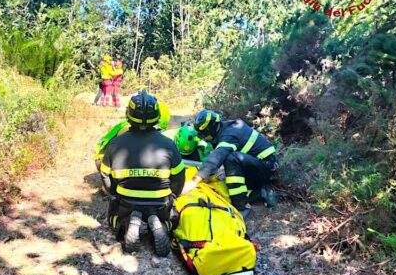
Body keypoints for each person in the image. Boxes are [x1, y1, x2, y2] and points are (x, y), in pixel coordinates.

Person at [100, 91, 185, 255]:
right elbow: (179, 179)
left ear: (129, 115)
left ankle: (125, 223)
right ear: (157, 116)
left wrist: (115, 194)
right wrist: (172, 196)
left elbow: (105, 176)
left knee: (112, 216)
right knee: (175, 218)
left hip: (127, 202)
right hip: (160, 203)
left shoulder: (115, 144)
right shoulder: (168, 144)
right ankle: (162, 225)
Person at [182, 109, 279, 212]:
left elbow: (216, 158)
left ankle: (240, 203)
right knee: (227, 173)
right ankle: (258, 193)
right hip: (260, 165)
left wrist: (195, 180)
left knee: (230, 159)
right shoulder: (226, 128)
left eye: (204, 133)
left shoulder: (228, 136)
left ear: (211, 129)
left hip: (266, 168)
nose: (204, 138)